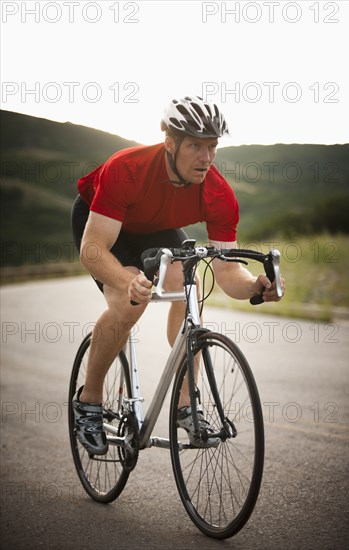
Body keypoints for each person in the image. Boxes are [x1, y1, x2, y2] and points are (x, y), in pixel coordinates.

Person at [71, 95, 285, 455]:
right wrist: (129, 281)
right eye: (195, 146)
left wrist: (256, 287)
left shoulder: (218, 193)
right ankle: (88, 401)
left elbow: (227, 271)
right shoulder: (127, 169)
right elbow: (92, 252)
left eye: (212, 146)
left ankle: (187, 405)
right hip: (104, 222)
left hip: (156, 226)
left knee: (191, 285)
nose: (206, 157)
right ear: (170, 142)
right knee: (130, 302)